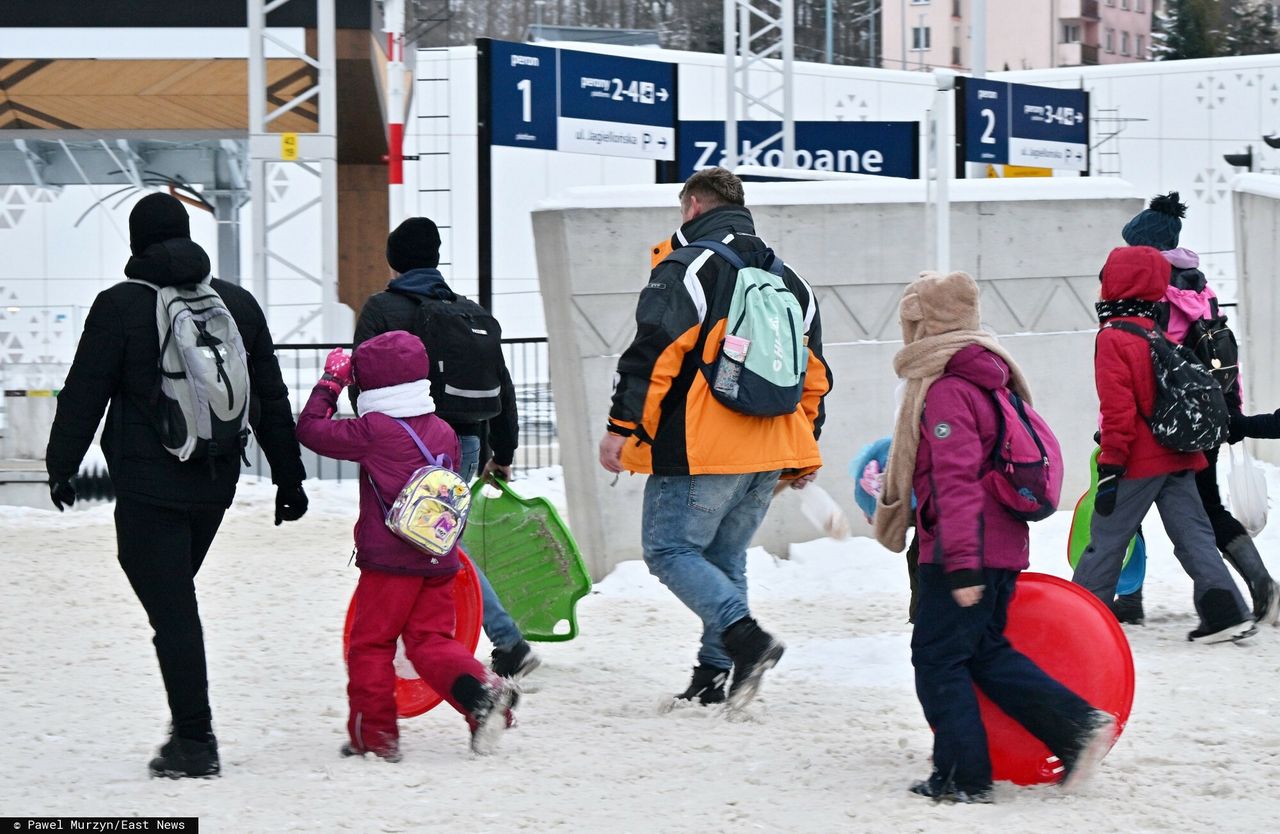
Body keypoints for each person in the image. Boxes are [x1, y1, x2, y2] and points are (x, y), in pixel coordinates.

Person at [44, 193, 309, 779]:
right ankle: (187, 722)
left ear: (137, 243)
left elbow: (84, 389)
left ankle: (193, 740)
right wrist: (288, 475)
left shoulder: (117, 305)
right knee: (173, 597)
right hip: (215, 480)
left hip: (148, 481)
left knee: (172, 608)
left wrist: (61, 463)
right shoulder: (236, 303)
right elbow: (269, 394)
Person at [874, 270, 1115, 803]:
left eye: (912, 322)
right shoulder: (995, 380)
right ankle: (1075, 729)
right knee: (983, 652)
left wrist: (959, 564)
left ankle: (964, 777)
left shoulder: (949, 391)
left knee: (937, 658)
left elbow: (955, 482)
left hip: (967, 549)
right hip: (1000, 546)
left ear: (927, 324)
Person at [598, 167, 832, 709]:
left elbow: (654, 354)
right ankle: (715, 675)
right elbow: (814, 373)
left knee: (669, 549)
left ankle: (746, 641)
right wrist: (803, 447)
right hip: (770, 447)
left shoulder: (687, 268)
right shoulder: (791, 279)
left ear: (693, 208)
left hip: (703, 448)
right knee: (726, 558)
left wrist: (621, 427)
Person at [296, 331, 516, 758]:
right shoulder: (443, 430)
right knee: (431, 640)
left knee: (372, 645)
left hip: (389, 564)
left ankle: (375, 738)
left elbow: (310, 430)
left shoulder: (374, 430)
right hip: (438, 558)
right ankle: (484, 694)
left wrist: (331, 382)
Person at [351, 218, 539, 681]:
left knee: (429, 540)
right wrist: (505, 452)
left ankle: (506, 641)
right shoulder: (469, 312)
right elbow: (504, 387)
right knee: (431, 536)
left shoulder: (381, 308)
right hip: (467, 443)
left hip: (404, 445)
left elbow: (361, 381)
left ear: (394, 260)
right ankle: (424, 636)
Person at [1072, 245, 1256, 643]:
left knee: (1105, 540)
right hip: (1180, 455)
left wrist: (1111, 464)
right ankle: (1225, 613)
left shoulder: (1114, 337)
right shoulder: (1154, 330)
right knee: (1194, 536)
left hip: (1138, 461)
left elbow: (1118, 410)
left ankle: (1078, 623)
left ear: (1117, 283)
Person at [1111, 193, 1279, 626]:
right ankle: (1260, 584)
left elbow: (1147, 360)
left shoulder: (1155, 293)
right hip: (1209, 414)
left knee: (1129, 503)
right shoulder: (1203, 289)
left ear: (1146, 249)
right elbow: (1222, 353)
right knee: (1205, 507)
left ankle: (1130, 600)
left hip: (1167, 422)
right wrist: (1231, 411)